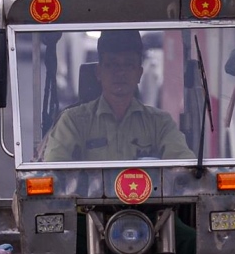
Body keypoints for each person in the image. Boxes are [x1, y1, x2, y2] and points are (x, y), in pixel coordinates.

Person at [39, 30, 191, 162]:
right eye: (112, 64)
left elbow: (184, 166)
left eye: (128, 65)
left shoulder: (160, 123)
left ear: (139, 73)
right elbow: (55, 171)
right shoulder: (72, 122)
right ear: (99, 72)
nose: (120, 72)